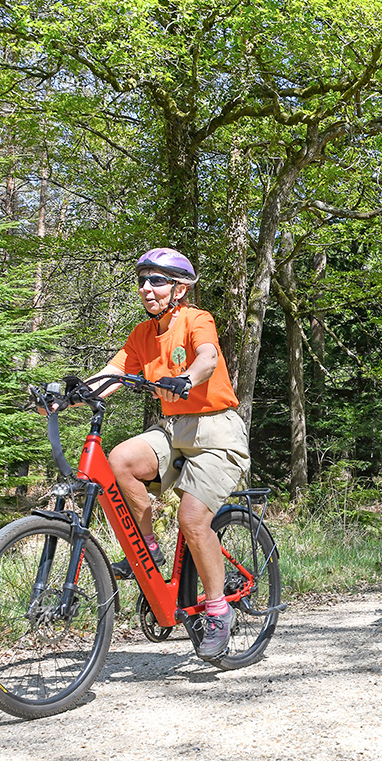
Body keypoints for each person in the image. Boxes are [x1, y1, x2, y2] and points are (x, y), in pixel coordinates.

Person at [89, 247, 250, 660]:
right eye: (142, 279)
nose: (147, 287)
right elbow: (112, 374)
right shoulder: (143, 335)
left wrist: (185, 378)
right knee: (120, 460)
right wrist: (65, 395)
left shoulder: (197, 319)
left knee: (193, 518)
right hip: (176, 431)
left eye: (157, 280)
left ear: (179, 288)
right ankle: (148, 547)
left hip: (217, 431)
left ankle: (217, 610)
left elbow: (208, 358)